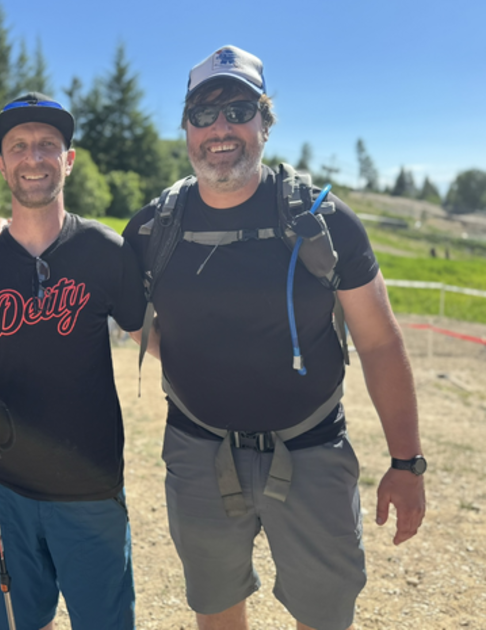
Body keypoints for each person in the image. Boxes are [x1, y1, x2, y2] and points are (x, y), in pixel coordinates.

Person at [122, 46, 426, 630]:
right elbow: (134, 318)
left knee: (324, 616)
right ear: (186, 128)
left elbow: (380, 344)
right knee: (215, 610)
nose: (220, 129)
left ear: (265, 122)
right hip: (198, 450)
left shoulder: (325, 221)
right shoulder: (151, 229)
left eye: (238, 111)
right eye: (203, 114)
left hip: (312, 450)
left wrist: (407, 462)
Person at [0, 93, 146, 630]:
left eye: (47, 145)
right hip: (6, 484)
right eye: (18, 146)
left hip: (92, 489)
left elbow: (157, 339)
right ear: (1, 163)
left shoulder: (106, 250)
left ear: (69, 159)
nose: (33, 157)